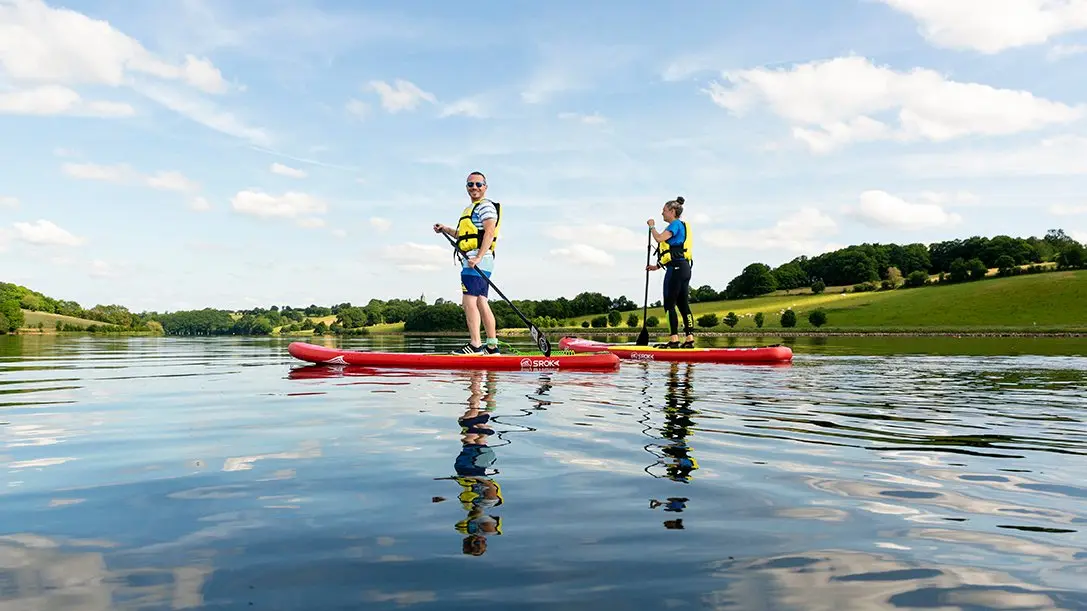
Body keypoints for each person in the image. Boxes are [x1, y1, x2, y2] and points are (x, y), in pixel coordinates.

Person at [433, 171, 501, 354]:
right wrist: (445, 229)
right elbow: (463, 235)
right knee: (481, 301)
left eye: (478, 184)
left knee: (468, 301)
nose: (474, 187)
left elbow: (489, 232)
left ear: (485, 187)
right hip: (479, 261)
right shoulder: (471, 209)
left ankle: (475, 345)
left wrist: (478, 257)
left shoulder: (485, 207)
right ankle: (492, 346)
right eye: (470, 184)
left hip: (477, 260)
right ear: (466, 187)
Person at [647, 196, 694, 348]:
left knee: (669, 304)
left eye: (664, 210)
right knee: (683, 304)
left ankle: (674, 340)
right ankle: (689, 339)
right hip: (684, 268)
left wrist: (652, 227)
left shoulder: (675, 224)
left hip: (676, 269)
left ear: (672, 211)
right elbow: (675, 253)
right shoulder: (682, 226)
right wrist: (657, 266)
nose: (662, 213)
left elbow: (659, 238)